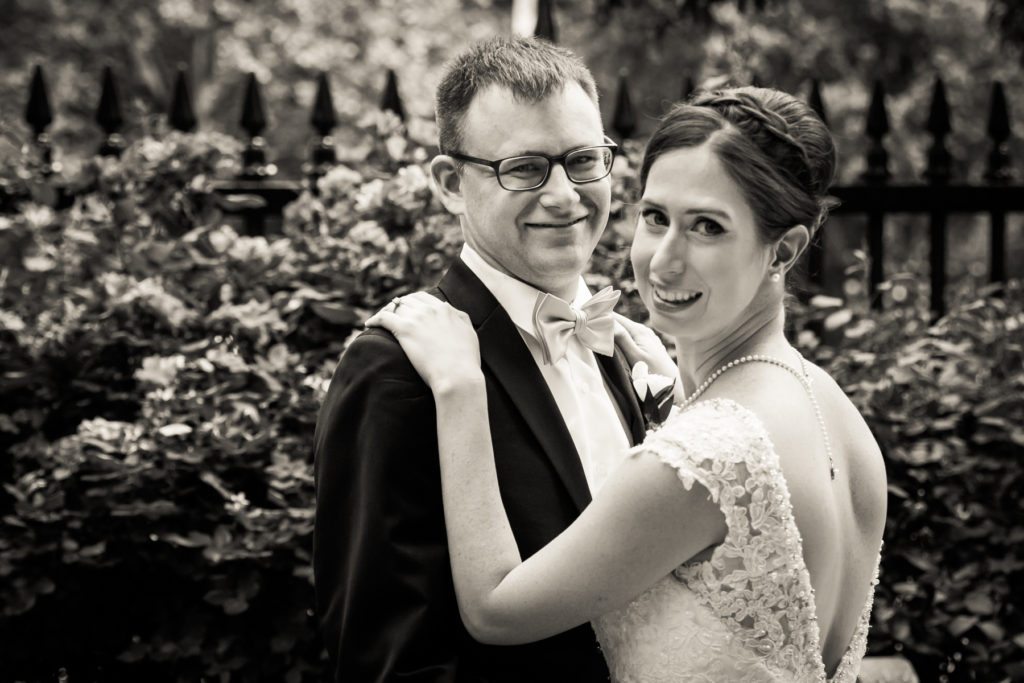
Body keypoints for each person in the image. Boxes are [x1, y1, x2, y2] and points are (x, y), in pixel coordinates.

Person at [367, 86, 889, 682]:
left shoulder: (702, 457)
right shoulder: (832, 412)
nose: (664, 261)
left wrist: (461, 391)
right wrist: (681, 394)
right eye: (656, 217)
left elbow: (493, 610)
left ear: (784, 251)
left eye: (708, 227)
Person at [313, 36, 646, 682]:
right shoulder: (396, 371)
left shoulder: (626, 346)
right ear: (448, 184)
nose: (564, 195)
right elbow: (389, 662)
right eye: (524, 168)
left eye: (582, 161)